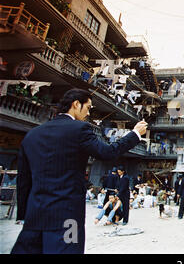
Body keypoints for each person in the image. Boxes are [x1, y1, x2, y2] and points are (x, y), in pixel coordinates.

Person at [12, 89, 146, 254]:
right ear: (76, 104)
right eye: (88, 107)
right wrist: (135, 134)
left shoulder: (32, 135)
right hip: (68, 218)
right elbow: (107, 152)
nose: (88, 113)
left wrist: (23, 215)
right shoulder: (79, 129)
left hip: (35, 217)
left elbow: (24, 179)